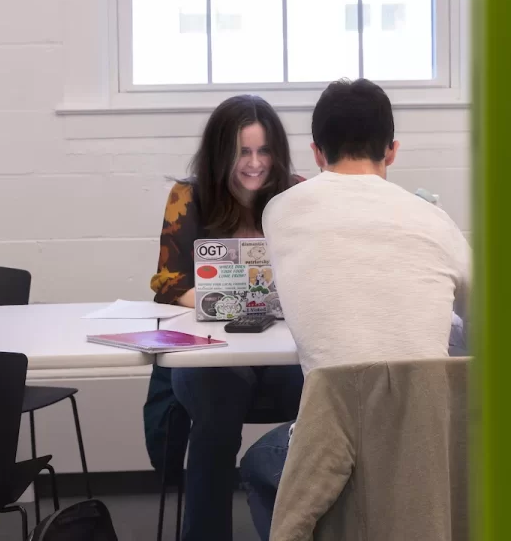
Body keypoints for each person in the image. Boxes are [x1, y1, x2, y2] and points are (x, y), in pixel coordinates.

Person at [239, 79, 471, 540]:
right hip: (429, 455)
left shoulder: (280, 212)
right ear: (392, 150)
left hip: (335, 449)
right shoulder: (437, 221)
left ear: (317, 153)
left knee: (258, 462)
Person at [147, 95, 306, 541]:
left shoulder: (295, 192)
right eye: (243, 152)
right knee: (217, 411)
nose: (255, 164)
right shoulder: (188, 195)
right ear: (221, 152)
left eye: (264, 151)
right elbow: (167, 282)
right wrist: (226, 300)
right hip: (213, 354)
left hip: (279, 356)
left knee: (329, 397)